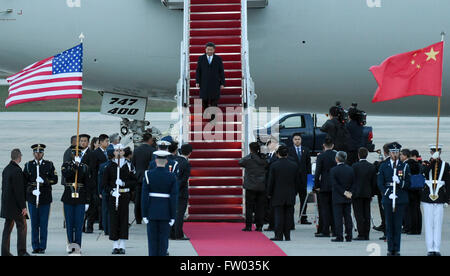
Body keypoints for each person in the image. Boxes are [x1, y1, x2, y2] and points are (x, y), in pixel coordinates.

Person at [23, 144, 58, 254]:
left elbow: (55, 179)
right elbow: (24, 182)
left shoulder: (49, 164)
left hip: (45, 198)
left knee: (43, 224)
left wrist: (45, 181)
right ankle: (35, 246)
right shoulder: (28, 165)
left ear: (43, 153)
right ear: (33, 153)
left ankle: (42, 246)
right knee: (34, 224)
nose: (38, 154)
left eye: (40, 152)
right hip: (33, 198)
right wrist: (31, 190)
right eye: (36, 152)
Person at [142, 150, 178, 256]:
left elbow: (144, 197)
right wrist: (173, 216)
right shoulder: (171, 176)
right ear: (166, 162)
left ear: (155, 161)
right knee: (163, 242)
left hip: (151, 213)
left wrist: (144, 214)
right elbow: (173, 198)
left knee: (152, 242)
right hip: (166, 213)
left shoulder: (148, 174)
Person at [377, 142, 411, 256]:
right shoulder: (383, 165)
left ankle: (397, 249)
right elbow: (380, 182)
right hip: (388, 198)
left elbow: (408, 184)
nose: (395, 154)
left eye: (397, 152)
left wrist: (399, 181)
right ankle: (390, 248)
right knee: (389, 224)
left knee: (397, 225)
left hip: (400, 198)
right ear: (389, 153)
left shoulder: (404, 166)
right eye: (393, 152)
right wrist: (387, 193)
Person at [103, 144, 136, 255]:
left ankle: (122, 244)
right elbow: (104, 184)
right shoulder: (109, 166)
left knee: (123, 219)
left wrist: (124, 183)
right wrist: (112, 191)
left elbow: (134, 182)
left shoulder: (129, 166)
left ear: (123, 152)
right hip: (114, 196)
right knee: (114, 220)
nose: (118, 152)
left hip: (124, 195)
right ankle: (115, 245)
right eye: (116, 150)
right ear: (114, 152)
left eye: (120, 150)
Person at [61, 145, 91, 254]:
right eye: (75, 154)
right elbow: (67, 175)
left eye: (79, 154)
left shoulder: (85, 167)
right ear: (72, 154)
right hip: (69, 196)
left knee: (79, 224)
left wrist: (87, 200)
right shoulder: (66, 165)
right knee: (69, 223)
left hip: (81, 197)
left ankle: (77, 245)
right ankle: (70, 245)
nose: (76, 155)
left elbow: (87, 184)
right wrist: (75, 166)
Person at [421, 145, 449, 256]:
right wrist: (433, 161)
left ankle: (436, 248)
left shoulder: (445, 165)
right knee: (428, 223)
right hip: (428, 197)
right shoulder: (426, 163)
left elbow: (448, 182)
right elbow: (425, 172)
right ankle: (430, 248)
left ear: (440, 152)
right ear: (430, 152)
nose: (434, 153)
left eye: (436, 152)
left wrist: (448, 199)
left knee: (438, 224)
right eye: (433, 152)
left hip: (440, 197)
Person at [267, 145, 300, 241]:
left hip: (277, 194)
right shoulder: (294, 165)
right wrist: (295, 191)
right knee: (289, 215)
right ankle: (287, 235)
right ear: (287, 154)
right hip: (290, 193)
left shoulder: (274, 165)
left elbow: (271, 181)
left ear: (277, 154)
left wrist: (269, 193)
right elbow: (297, 181)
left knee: (278, 215)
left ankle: (279, 235)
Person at [1, 149, 30, 257]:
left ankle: (4, 252)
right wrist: (23, 207)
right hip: (15, 206)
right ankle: (22, 252)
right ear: (19, 157)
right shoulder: (17, 171)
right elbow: (19, 191)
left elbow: (4, 188)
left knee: (7, 229)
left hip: (6, 205)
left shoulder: (6, 169)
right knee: (22, 226)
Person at [239, 142, 268, 232]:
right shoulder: (263, 158)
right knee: (260, 207)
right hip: (261, 185)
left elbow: (240, 162)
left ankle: (248, 226)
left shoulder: (248, 159)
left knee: (249, 207)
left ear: (250, 149)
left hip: (250, 186)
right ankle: (259, 226)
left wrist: (251, 154)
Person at [195, 42, 226, 120]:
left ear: (214, 50)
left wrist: (222, 83)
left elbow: (221, 71)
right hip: (204, 83)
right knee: (204, 100)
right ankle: (206, 113)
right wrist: (197, 82)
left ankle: (213, 117)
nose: (209, 51)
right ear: (205, 50)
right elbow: (198, 71)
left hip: (215, 83)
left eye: (211, 50)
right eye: (208, 49)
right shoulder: (201, 58)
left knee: (214, 101)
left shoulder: (218, 59)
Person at [351, 147, 376, 240]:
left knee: (359, 214)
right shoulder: (371, 166)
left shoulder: (354, 166)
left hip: (357, 194)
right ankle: (367, 234)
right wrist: (372, 193)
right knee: (367, 214)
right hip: (367, 193)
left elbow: (351, 180)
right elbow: (374, 182)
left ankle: (361, 233)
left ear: (358, 155)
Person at [313, 138, 337, 237]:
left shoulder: (321, 156)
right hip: (335, 185)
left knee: (324, 209)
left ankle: (325, 230)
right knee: (334, 209)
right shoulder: (336, 155)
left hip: (324, 185)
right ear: (333, 145)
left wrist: (316, 185)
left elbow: (317, 172)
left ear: (324, 145)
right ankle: (335, 229)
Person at [287, 133, 312, 224]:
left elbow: (308, 165)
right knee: (291, 200)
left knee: (304, 199)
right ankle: (290, 219)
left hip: (303, 180)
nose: (297, 141)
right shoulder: (289, 150)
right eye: (295, 139)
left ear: (301, 140)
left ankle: (303, 218)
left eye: (299, 139)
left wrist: (310, 181)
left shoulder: (306, 150)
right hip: (293, 180)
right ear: (292, 140)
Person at [329, 151, 354, 242]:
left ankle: (339, 236)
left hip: (338, 197)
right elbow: (353, 182)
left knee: (338, 217)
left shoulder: (333, 170)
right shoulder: (350, 169)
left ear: (336, 159)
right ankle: (349, 235)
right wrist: (349, 192)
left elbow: (334, 184)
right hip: (348, 196)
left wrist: (343, 192)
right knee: (348, 216)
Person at [87, 134, 109, 233]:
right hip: (96, 183)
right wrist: (94, 184)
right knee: (94, 206)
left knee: (102, 206)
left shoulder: (107, 153)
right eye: (106, 141)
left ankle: (102, 224)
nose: (108, 143)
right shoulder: (95, 154)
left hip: (103, 183)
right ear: (100, 142)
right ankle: (89, 226)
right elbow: (93, 170)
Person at [132, 133, 155, 224]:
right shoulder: (152, 150)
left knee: (138, 199)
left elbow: (133, 164)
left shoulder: (136, 150)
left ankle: (138, 218)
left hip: (138, 177)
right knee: (148, 198)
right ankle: (147, 216)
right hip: (148, 177)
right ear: (149, 140)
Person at [171, 144, 193, 240]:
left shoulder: (174, 160)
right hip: (181, 192)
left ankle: (171, 233)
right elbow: (184, 180)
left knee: (173, 213)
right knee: (179, 214)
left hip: (173, 191)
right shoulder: (186, 163)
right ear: (190, 153)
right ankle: (178, 234)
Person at [373, 143, 390, 240]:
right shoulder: (393, 162)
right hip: (391, 191)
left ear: (385, 152)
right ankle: (385, 227)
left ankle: (386, 230)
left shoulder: (383, 164)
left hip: (384, 191)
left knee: (385, 212)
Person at [264, 137, 279, 232]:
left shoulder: (276, 156)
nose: (270, 145)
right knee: (267, 205)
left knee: (273, 206)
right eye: (268, 144)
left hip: (274, 183)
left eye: (272, 143)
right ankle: (269, 221)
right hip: (266, 182)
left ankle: (273, 224)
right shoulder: (266, 155)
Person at [407, 149, 422, 235]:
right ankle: (418, 228)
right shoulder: (419, 164)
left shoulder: (408, 164)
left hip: (411, 189)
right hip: (418, 188)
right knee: (417, 209)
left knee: (412, 210)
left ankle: (413, 229)